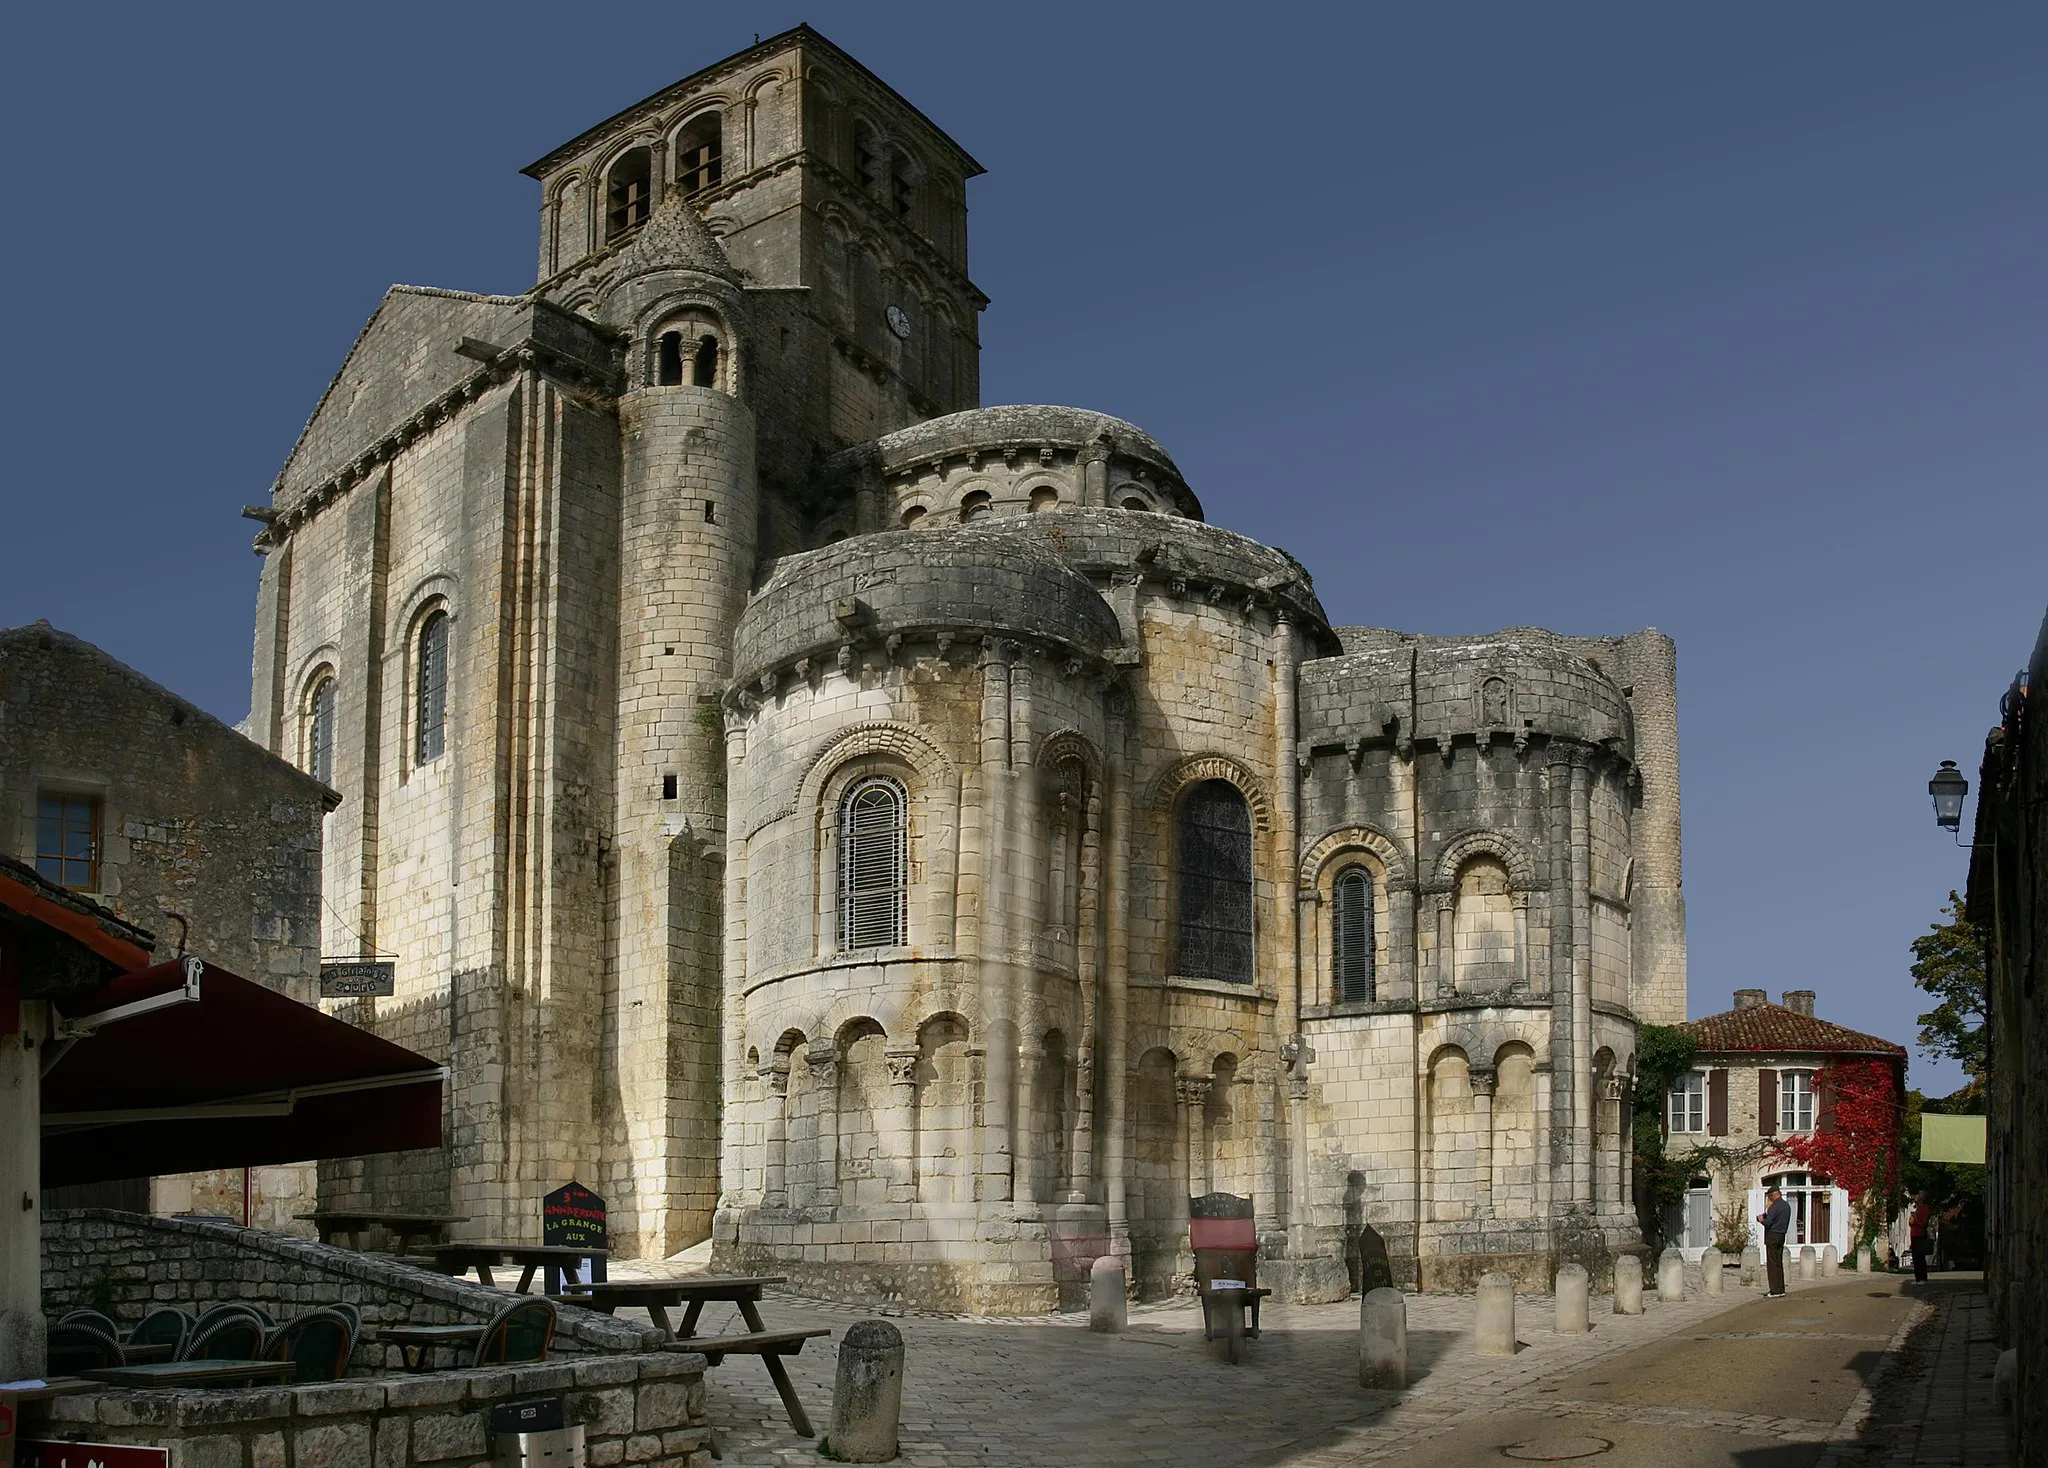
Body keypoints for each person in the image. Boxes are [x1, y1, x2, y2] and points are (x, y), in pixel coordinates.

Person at [1757, 1186, 1792, 1297]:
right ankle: (1781, 1289)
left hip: (1772, 1235)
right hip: (1782, 1235)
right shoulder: (1786, 1205)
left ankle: (1774, 1290)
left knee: (1772, 1263)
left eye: (1769, 1196)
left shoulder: (1773, 1207)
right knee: (1778, 1262)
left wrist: (1761, 1219)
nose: (1769, 1198)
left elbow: (1768, 1223)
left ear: (1773, 1195)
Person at [1909, 1191, 1932, 1282]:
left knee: (1920, 1258)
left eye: (1918, 1195)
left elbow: (1923, 1223)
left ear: (1922, 1198)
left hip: (1920, 1235)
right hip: (1914, 1235)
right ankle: (1918, 1278)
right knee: (1916, 1258)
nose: (1916, 1197)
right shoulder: (1918, 1208)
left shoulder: (1924, 1209)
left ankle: (1922, 1278)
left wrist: (1914, 1222)